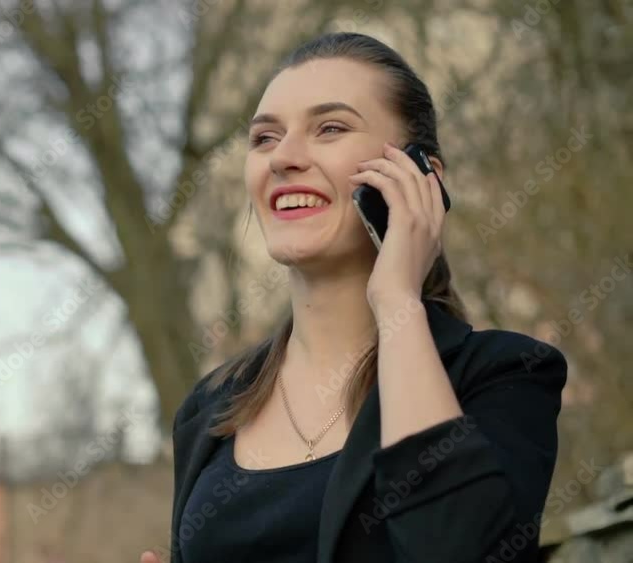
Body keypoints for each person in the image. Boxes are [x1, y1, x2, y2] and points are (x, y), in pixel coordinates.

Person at [140, 32, 567, 563]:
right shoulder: (209, 409)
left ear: (421, 176)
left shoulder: (504, 374)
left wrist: (397, 301)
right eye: (265, 138)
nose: (284, 158)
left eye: (331, 128)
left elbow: (455, 548)